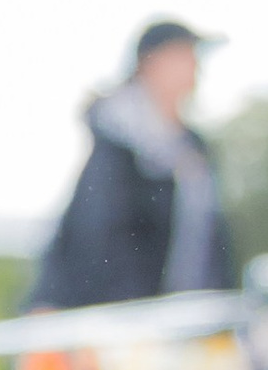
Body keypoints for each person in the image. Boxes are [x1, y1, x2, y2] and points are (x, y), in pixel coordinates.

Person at [28, 19, 236, 311]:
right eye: (183, 55)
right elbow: (94, 236)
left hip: (188, 317)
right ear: (150, 63)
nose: (194, 67)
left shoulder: (194, 149)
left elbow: (213, 242)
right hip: (128, 322)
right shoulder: (118, 141)